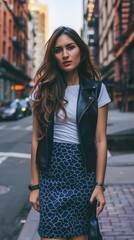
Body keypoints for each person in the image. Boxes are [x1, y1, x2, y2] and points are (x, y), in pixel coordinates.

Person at [29, 26, 111, 240]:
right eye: (58, 50)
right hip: (51, 176)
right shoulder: (42, 90)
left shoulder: (96, 90)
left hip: (82, 174)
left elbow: (101, 140)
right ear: (53, 56)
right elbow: (36, 140)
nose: (65, 55)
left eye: (70, 47)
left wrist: (99, 185)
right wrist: (35, 186)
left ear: (81, 52)